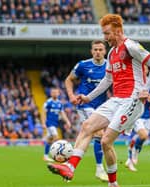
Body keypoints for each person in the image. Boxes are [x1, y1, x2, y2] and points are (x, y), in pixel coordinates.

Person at [47, 14, 150, 187]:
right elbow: (107, 81)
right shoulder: (112, 53)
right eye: (104, 33)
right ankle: (70, 167)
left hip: (132, 99)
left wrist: (145, 89)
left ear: (118, 31)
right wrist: (88, 97)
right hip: (117, 99)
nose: (105, 37)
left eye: (107, 33)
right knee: (87, 127)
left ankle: (112, 183)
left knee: (106, 140)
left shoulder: (130, 46)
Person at [64, 40, 108, 181]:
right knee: (99, 133)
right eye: (95, 49)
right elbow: (69, 80)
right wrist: (71, 95)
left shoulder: (110, 66)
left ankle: (69, 165)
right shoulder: (83, 65)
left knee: (88, 134)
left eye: (100, 49)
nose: (98, 52)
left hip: (102, 106)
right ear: (91, 51)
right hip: (84, 105)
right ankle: (99, 169)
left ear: (105, 51)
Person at [125, 66, 150, 172]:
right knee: (143, 135)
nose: (143, 70)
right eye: (141, 68)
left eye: (145, 68)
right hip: (136, 114)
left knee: (142, 138)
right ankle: (132, 154)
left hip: (147, 116)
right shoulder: (133, 81)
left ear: (147, 70)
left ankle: (133, 154)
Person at [42, 87, 72, 161]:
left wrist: (67, 121)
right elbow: (43, 113)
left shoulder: (59, 103)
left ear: (58, 93)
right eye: (53, 92)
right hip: (49, 123)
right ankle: (61, 156)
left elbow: (62, 113)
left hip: (55, 123)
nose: (54, 94)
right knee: (56, 138)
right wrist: (43, 123)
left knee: (49, 140)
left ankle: (45, 156)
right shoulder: (48, 102)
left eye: (56, 92)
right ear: (51, 93)